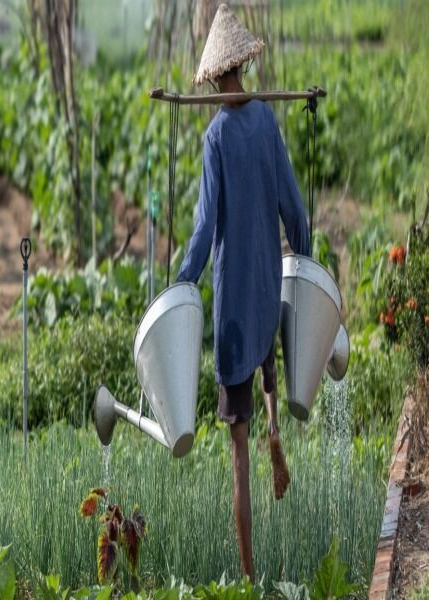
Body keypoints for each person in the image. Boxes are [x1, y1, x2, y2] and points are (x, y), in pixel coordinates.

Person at [176, 3, 311, 582]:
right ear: (244, 69)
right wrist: (303, 262)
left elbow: (206, 231)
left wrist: (181, 284)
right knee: (268, 358)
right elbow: (294, 210)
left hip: (234, 306)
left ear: (213, 76)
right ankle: (277, 431)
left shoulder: (217, 137)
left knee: (236, 454)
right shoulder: (266, 123)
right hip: (268, 291)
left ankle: (250, 577)